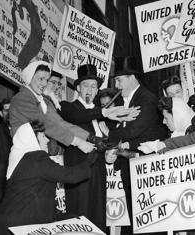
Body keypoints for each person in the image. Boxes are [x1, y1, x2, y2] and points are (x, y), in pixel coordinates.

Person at [59, 64, 139, 232]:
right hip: (78, 174)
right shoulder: (68, 107)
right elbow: (77, 117)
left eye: (94, 86)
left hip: (99, 172)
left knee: (98, 219)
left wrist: (110, 153)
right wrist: (103, 113)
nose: (90, 89)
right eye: (86, 85)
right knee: (79, 220)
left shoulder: (100, 114)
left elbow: (105, 142)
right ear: (78, 88)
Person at [0, 121, 92, 235]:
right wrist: (89, 161)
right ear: (32, 138)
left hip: (11, 224)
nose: (47, 140)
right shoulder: (35, 158)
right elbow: (70, 176)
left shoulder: (21, 158)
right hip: (20, 226)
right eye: (42, 136)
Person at [108, 56, 168, 234]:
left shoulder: (146, 99)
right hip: (130, 164)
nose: (117, 86)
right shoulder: (125, 100)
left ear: (132, 77)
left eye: (119, 80)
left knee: (146, 218)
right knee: (135, 216)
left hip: (143, 166)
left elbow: (134, 130)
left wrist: (106, 132)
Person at [9, 60, 95, 154]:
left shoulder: (44, 101)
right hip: (25, 153)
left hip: (40, 153)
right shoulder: (21, 98)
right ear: (30, 78)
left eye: (46, 80)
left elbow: (60, 123)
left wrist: (90, 137)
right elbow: (44, 124)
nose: (44, 84)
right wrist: (77, 142)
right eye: (40, 79)